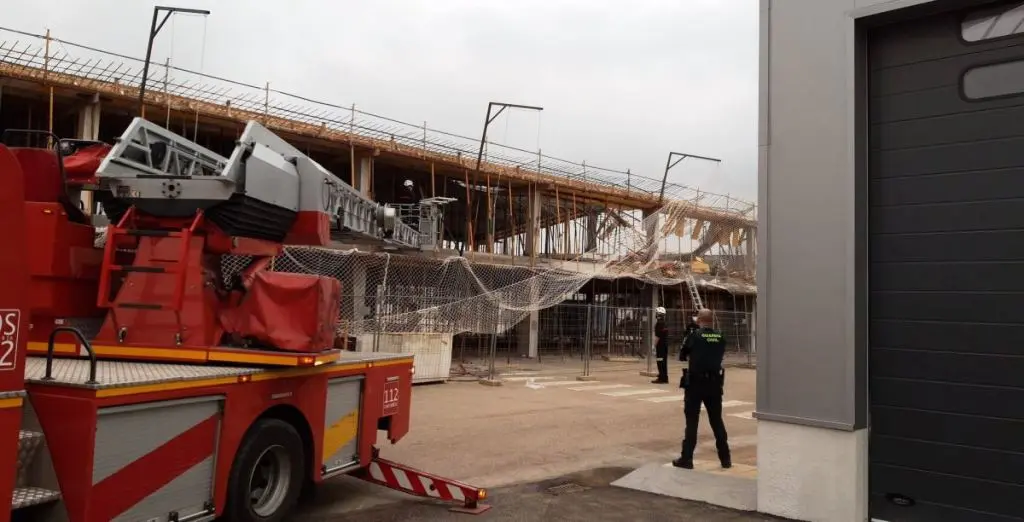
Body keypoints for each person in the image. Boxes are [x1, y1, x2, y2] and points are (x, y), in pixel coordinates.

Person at [673, 308, 731, 470]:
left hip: (696, 384)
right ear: (711, 321)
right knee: (717, 420)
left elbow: (682, 355)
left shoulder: (694, 336)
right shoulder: (720, 337)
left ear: (698, 320)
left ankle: (687, 458)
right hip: (714, 384)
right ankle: (725, 459)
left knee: (692, 420)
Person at [651, 307, 669, 384]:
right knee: (664, 362)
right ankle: (664, 377)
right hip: (665, 345)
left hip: (660, 346)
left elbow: (657, 337)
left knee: (660, 361)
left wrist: (653, 346)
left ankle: (662, 378)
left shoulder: (659, 324)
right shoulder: (665, 323)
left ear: (658, 314)